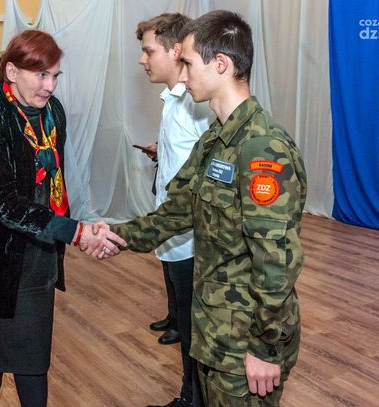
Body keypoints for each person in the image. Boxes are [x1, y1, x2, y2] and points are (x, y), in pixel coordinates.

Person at [107, 10, 307, 406]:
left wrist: (266, 347)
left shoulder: (262, 147)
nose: (181, 76)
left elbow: (276, 260)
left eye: (187, 63)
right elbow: (177, 211)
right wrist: (112, 235)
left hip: (247, 345)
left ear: (221, 65)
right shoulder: (216, 138)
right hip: (216, 332)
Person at [0, 29, 125, 406]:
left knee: (32, 355)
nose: (50, 86)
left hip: (37, 252)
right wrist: (75, 232)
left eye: (55, 76)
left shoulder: (53, 113)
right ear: (11, 72)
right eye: (41, 75)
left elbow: (57, 178)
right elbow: (2, 201)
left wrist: (78, 223)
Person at [134, 13, 210, 407]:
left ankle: (191, 400)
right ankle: (190, 397)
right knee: (187, 327)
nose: (143, 60)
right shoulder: (174, 102)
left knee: (195, 331)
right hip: (176, 237)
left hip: (191, 240)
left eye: (148, 51)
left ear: (175, 50)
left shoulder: (196, 105)